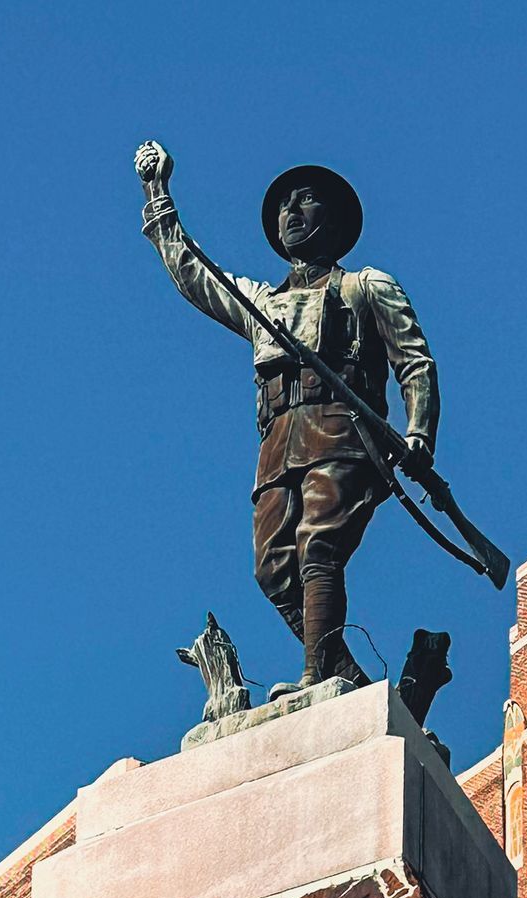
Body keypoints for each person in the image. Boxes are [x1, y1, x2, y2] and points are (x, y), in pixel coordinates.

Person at [135, 142, 439, 694]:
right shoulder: (260, 304)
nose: (292, 213)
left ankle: (313, 676)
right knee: (275, 569)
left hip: (345, 435)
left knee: (318, 546)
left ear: (336, 218)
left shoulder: (366, 287)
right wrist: (158, 192)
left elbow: (414, 363)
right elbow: (192, 273)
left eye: (307, 201)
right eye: (284, 207)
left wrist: (419, 432)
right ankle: (344, 675)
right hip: (278, 442)